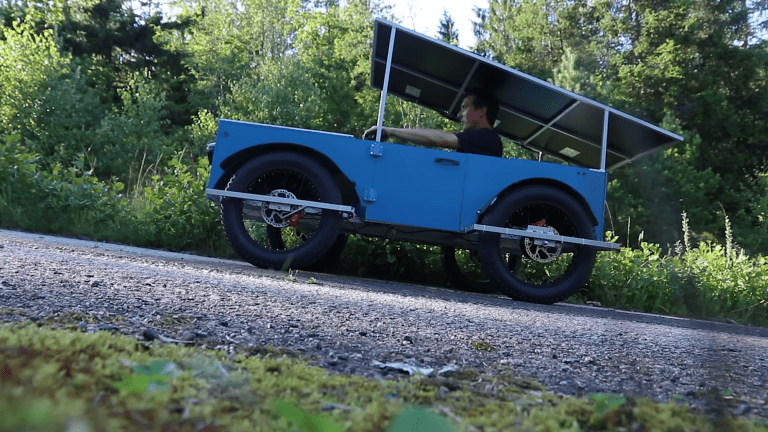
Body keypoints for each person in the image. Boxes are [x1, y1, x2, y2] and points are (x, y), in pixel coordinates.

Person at [363, 89, 503, 157]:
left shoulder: (488, 139)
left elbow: (441, 139)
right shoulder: (482, 141)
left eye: (464, 108)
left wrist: (390, 131)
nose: (459, 114)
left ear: (481, 111)